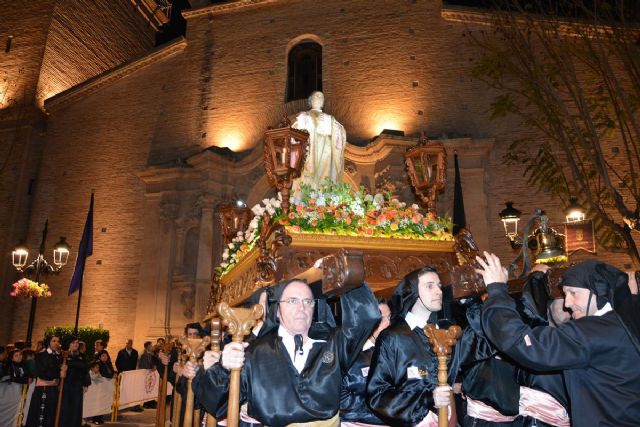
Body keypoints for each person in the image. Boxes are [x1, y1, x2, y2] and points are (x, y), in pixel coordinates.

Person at [187, 278, 380, 426]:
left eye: (308, 301)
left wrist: (345, 276)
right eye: (293, 301)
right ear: (277, 310)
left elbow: (366, 317)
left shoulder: (332, 343)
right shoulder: (254, 352)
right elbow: (216, 403)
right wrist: (224, 367)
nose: (302, 308)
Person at [478, 253, 640, 426]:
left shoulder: (592, 332)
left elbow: (524, 344)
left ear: (598, 291)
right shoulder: (622, 322)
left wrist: (496, 290)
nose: (567, 303)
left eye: (573, 292)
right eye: (564, 293)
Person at [366, 266, 453, 427]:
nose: (439, 291)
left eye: (439, 285)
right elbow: (377, 395)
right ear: (412, 292)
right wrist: (428, 399)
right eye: (429, 286)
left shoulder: (446, 333)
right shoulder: (393, 337)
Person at [340, 297, 392, 426]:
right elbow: (341, 401)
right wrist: (384, 410)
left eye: (389, 317)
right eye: (381, 319)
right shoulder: (346, 354)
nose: (387, 324)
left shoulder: (392, 351)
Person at [292, 91, 347, 189]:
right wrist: (312, 124)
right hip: (309, 154)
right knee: (307, 179)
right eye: (316, 96)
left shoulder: (329, 118)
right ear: (310, 100)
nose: (319, 97)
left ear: (323, 102)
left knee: (324, 180)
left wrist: (328, 124)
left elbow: (339, 133)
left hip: (326, 156)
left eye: (321, 97)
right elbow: (295, 134)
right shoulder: (304, 117)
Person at [25, 335, 66, 427]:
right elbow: (43, 374)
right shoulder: (41, 355)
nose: (56, 343)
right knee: (41, 414)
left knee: (51, 413)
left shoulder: (59, 356)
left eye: (58, 341)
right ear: (48, 343)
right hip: (44, 389)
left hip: (53, 389)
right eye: (53, 341)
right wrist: (59, 373)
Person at [59, 336, 91, 427]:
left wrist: (86, 384)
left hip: (77, 386)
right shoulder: (63, 355)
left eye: (77, 342)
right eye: (73, 343)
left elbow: (85, 370)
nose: (76, 344)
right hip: (65, 385)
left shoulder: (81, 356)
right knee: (65, 408)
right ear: (68, 344)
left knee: (76, 408)